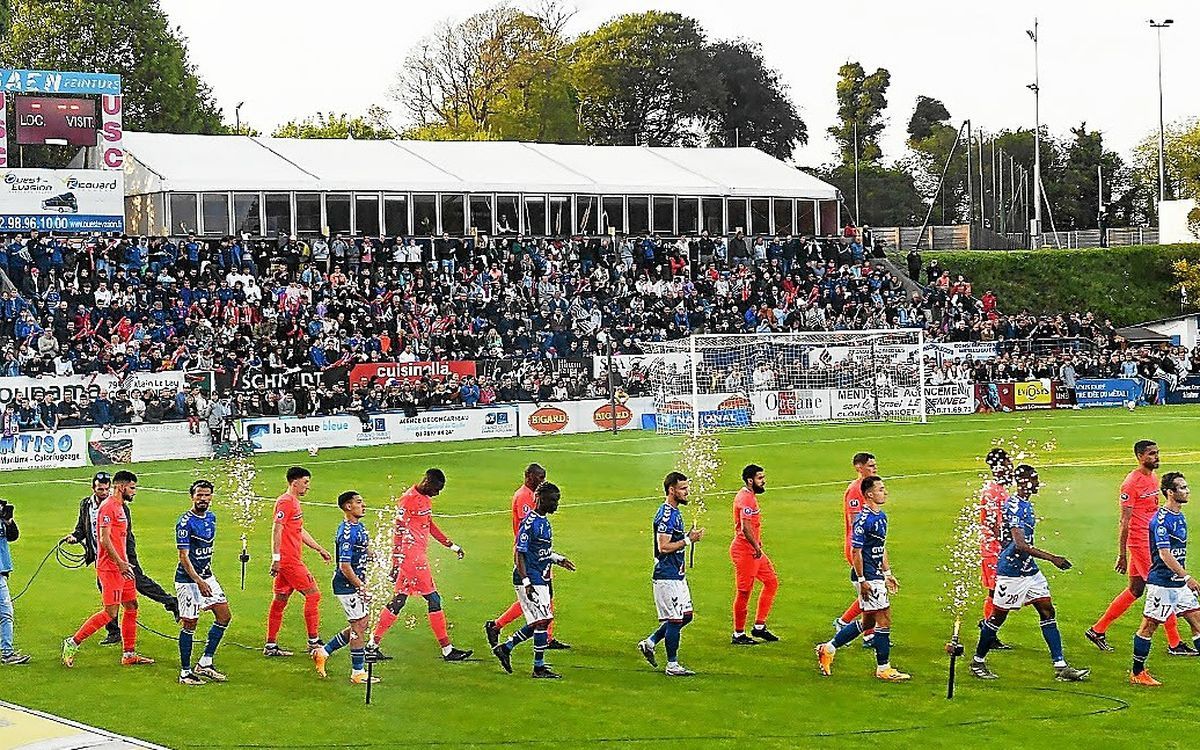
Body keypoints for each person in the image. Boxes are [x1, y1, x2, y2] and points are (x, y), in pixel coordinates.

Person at [969, 465, 1089, 681]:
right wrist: (1053, 558)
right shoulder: (1016, 506)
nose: (1037, 483)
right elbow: (1020, 544)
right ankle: (977, 662)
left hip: (1029, 571)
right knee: (997, 618)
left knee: (1047, 610)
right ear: (1022, 481)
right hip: (1012, 574)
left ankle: (1060, 666)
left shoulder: (1025, 504)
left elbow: (1008, 537)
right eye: (1034, 480)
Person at [1086, 440, 1195, 655]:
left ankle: (1097, 630)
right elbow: (1124, 521)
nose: (1156, 457)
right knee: (1163, 587)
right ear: (1139, 456)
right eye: (1151, 454)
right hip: (1140, 543)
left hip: (1151, 540)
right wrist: (1122, 554)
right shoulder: (1131, 483)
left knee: (1135, 590)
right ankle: (1175, 643)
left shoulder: (1153, 478)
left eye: (1157, 453)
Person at [369, 469, 472, 662]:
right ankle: (447, 650)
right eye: (436, 489)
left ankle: (372, 645)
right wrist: (396, 562)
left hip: (416, 558)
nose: (437, 493)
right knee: (434, 599)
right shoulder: (407, 500)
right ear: (427, 482)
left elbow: (429, 524)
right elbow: (398, 532)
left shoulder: (425, 499)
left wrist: (451, 545)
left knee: (399, 601)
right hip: (412, 560)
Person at [816, 476, 910, 681]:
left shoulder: (881, 516)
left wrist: (887, 573)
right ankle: (883, 668)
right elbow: (856, 551)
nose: (885, 492)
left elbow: (880, 547)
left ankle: (828, 648)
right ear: (869, 494)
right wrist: (861, 579)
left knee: (868, 621)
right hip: (867, 576)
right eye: (881, 489)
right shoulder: (863, 519)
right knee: (884, 619)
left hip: (875, 574)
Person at [62, 470, 155, 667]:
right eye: (132, 487)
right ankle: (72, 642)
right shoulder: (108, 507)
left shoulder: (121, 507)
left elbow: (120, 539)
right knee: (110, 613)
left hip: (124, 567)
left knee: (131, 606)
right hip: (111, 569)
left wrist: (126, 562)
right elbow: (104, 539)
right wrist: (120, 563)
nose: (134, 492)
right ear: (121, 487)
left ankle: (129, 654)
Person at [491, 482, 576, 678]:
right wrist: (527, 581)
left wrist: (558, 559)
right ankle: (537, 667)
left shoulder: (544, 521)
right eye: (553, 501)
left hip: (541, 575)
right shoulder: (529, 523)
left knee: (541, 621)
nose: (556, 504)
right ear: (541, 499)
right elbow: (519, 553)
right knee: (543, 620)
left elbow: (540, 551)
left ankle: (507, 648)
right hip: (529, 577)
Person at [485, 463, 570, 650]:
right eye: (539, 477)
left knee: (544, 598)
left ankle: (543, 636)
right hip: (530, 558)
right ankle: (501, 628)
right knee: (538, 601)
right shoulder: (525, 497)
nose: (542, 481)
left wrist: (554, 557)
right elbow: (526, 532)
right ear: (528, 476)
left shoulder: (535, 503)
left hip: (539, 557)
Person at [1130, 472, 1200, 686]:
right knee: (1149, 626)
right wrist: (1186, 576)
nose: (1187, 491)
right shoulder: (1160, 520)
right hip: (1162, 584)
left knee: (1197, 621)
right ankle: (1137, 672)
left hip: (1178, 584)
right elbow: (1164, 554)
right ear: (1170, 492)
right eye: (1182, 488)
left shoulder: (1180, 516)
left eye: (1187, 487)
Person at [636, 472, 704, 677]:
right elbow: (663, 546)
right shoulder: (666, 515)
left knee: (687, 616)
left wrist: (687, 537)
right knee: (675, 620)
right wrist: (689, 540)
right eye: (683, 488)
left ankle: (650, 642)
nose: (687, 492)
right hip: (667, 576)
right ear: (671, 490)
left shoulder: (675, 512)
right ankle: (672, 665)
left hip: (677, 574)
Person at [264, 466, 332, 658]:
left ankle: (270, 645)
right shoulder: (286, 502)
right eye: (305, 482)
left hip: (288, 559)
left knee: (280, 600)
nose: (307, 487)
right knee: (313, 595)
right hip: (289, 560)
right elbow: (276, 529)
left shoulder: (293, 502)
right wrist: (276, 559)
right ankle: (313, 641)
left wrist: (319, 548)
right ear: (295, 482)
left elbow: (299, 530)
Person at [313, 491, 377, 685]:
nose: (363, 505)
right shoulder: (347, 533)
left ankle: (323, 652)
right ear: (348, 506)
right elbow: (344, 566)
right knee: (358, 626)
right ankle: (357, 672)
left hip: (355, 583)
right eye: (359, 502)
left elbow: (364, 549)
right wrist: (361, 586)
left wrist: (378, 558)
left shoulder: (360, 527)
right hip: (346, 585)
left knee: (361, 624)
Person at [175, 480, 232, 685]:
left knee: (224, 615)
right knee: (190, 623)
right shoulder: (185, 522)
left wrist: (205, 577)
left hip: (207, 576)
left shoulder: (211, 517)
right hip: (188, 580)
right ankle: (185, 672)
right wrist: (198, 581)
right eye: (199, 495)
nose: (203, 499)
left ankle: (205, 663)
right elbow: (184, 556)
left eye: (207, 495)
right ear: (192, 496)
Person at [729, 463, 779, 644]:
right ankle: (738, 634)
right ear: (750, 481)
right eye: (760, 478)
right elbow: (745, 527)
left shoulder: (749, 497)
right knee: (744, 592)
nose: (763, 481)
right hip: (746, 552)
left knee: (771, 582)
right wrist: (756, 547)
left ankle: (759, 626)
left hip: (754, 551)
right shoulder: (746, 499)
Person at [831, 452, 876, 646]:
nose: (874, 468)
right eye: (871, 466)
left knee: (872, 590)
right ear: (859, 467)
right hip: (857, 547)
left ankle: (858, 629)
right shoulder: (855, 490)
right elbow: (855, 520)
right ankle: (854, 628)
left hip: (868, 546)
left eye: (875, 465)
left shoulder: (870, 487)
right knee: (873, 589)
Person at [978, 448, 1013, 649]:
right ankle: (988, 631)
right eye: (1008, 462)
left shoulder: (999, 489)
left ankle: (988, 628)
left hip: (998, 548)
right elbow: (993, 524)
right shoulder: (993, 492)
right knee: (995, 592)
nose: (1011, 465)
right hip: (994, 549)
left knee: (997, 592)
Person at [0, 497, 29, 664]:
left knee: (5, 614)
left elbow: (13, 536)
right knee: (5, 614)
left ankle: (7, 651)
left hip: (2, 571)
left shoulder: (2, 519)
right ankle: (7, 653)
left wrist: (9, 521)